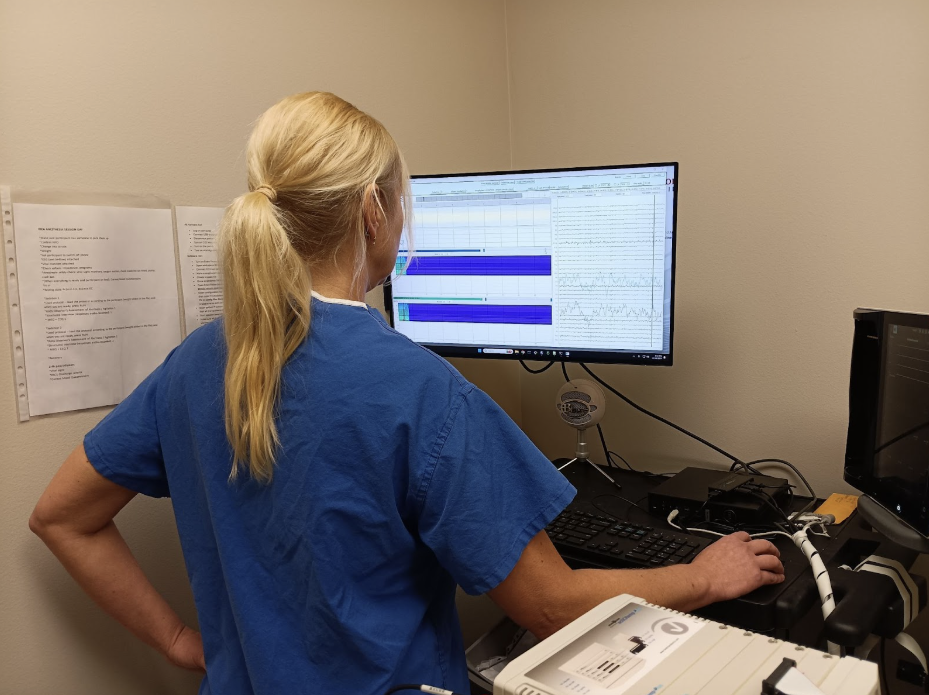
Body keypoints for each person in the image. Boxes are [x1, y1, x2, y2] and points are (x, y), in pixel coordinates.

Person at [29, 92, 785, 695]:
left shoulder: (197, 360)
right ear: (372, 209)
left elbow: (61, 517)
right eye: (401, 200)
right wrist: (700, 574)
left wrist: (178, 642)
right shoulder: (422, 391)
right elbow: (548, 605)